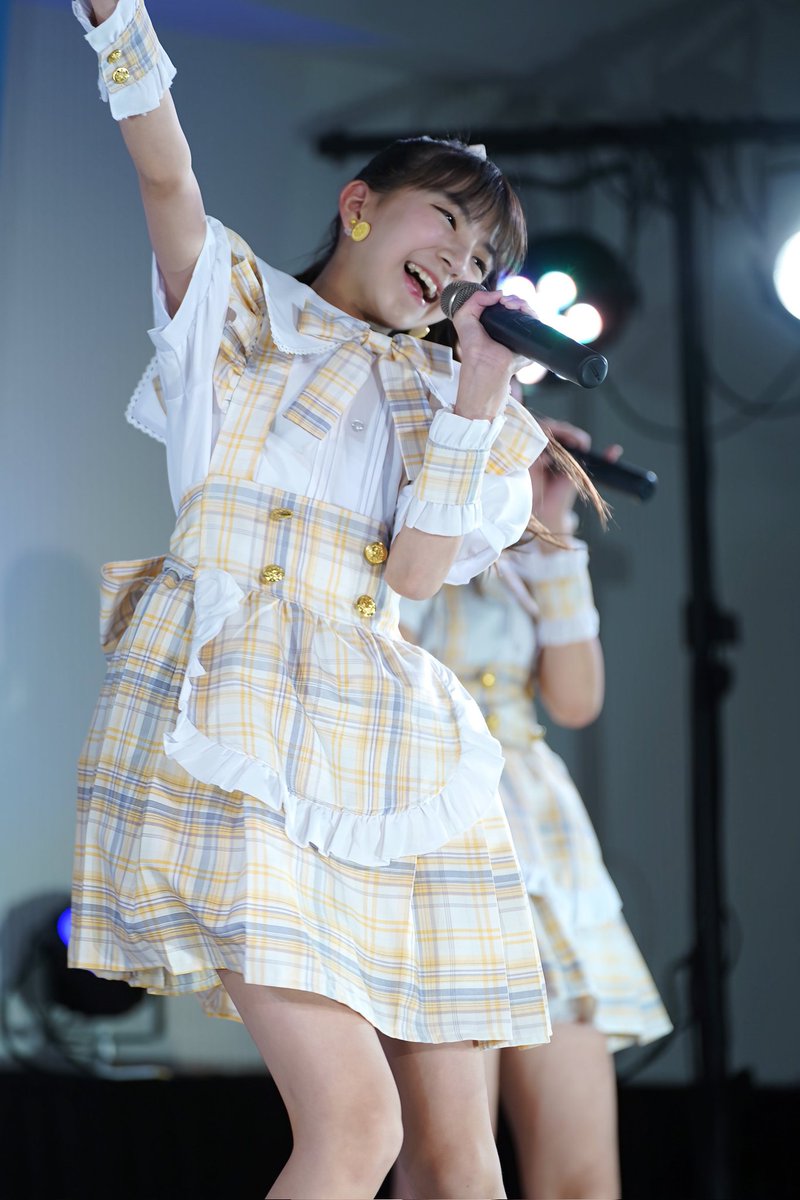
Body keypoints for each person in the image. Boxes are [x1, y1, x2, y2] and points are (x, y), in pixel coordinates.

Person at [65, 3, 589, 1197]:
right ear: (359, 204)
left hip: (388, 735)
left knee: (461, 1160)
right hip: (239, 707)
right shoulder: (239, 309)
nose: (459, 263)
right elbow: (167, 175)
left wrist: (478, 386)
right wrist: (116, 26)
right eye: (443, 221)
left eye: (483, 260)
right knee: (356, 1129)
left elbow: (413, 575)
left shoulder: (450, 402)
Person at [399, 418, 673, 1199]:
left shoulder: (524, 543)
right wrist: (464, 477)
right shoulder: (405, 493)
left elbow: (576, 700)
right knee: (450, 1173)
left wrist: (551, 525)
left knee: (583, 1178)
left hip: (539, 834)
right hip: (435, 815)